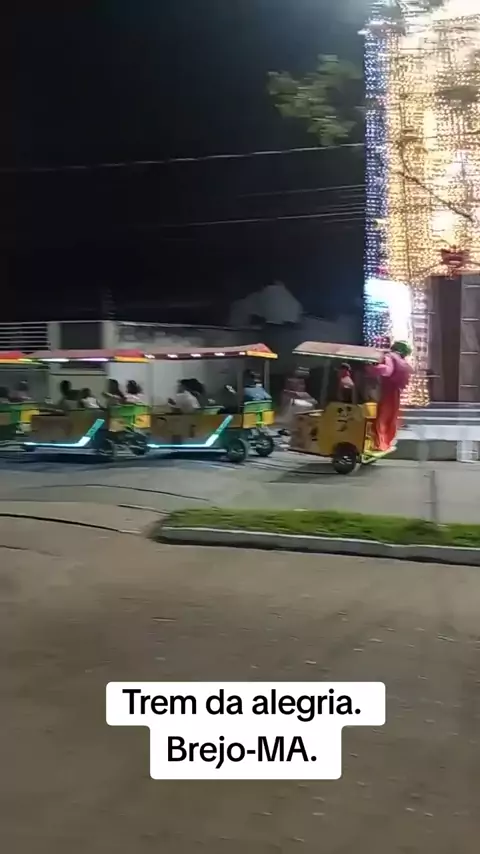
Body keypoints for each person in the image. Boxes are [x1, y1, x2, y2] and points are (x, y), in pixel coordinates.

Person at [366, 340, 412, 451]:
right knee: (390, 418)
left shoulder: (389, 357)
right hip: (395, 392)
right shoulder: (402, 362)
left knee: (381, 416)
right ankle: (385, 443)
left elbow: (386, 371)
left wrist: (369, 369)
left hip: (385, 390)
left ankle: (378, 443)